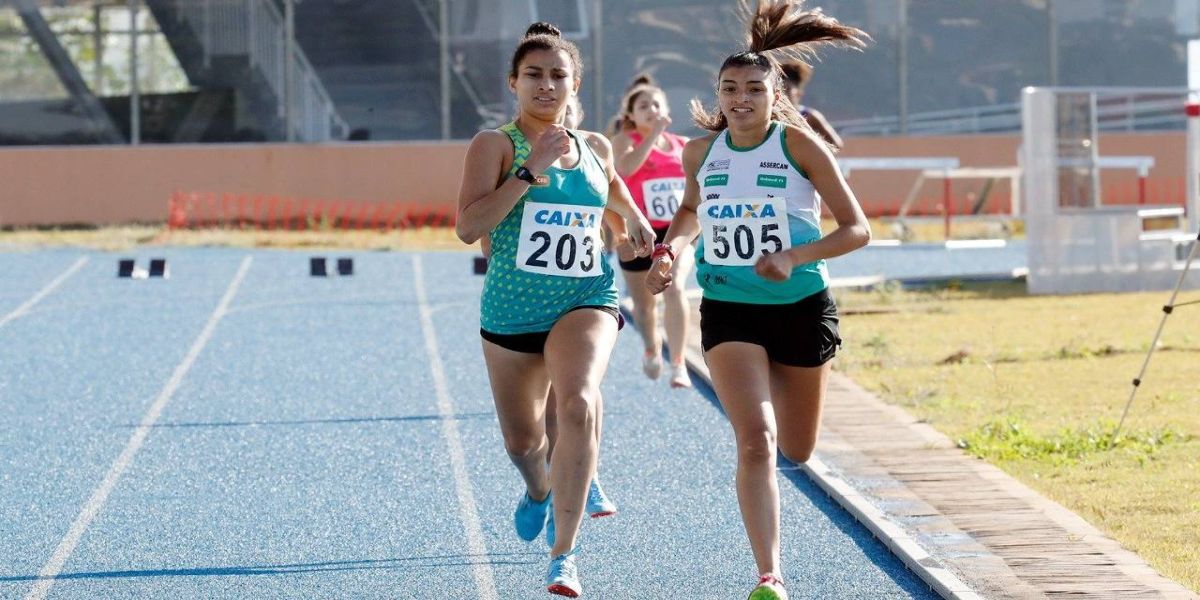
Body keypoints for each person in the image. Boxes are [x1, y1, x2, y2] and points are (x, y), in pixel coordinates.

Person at [645, 2, 869, 599]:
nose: (739, 99)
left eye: (752, 88)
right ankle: (769, 573)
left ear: (775, 94)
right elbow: (691, 212)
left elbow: (857, 229)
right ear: (717, 95)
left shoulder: (799, 147)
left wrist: (793, 257)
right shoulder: (701, 154)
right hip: (730, 308)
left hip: (800, 307)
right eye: (729, 89)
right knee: (756, 440)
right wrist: (670, 251)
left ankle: (771, 557)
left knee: (796, 449)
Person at [455, 22, 654, 598]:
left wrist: (634, 220)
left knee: (577, 404)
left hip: (584, 294)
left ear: (574, 84)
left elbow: (611, 187)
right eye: (535, 76)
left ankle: (563, 556)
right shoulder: (494, 144)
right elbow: (470, 227)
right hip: (513, 310)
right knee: (522, 443)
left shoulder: (595, 144)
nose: (547, 86)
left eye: (558, 76)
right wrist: (529, 169)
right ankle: (539, 490)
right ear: (514, 83)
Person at [610, 79, 695, 388]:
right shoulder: (623, 140)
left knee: (674, 289)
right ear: (631, 113)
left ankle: (679, 363)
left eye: (656, 104)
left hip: (675, 231)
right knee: (645, 306)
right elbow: (627, 169)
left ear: (667, 109)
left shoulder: (684, 144)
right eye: (643, 106)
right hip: (638, 232)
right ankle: (651, 348)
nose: (651, 110)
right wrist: (654, 134)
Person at [779, 60, 842, 149]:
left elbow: (836, 144)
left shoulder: (810, 116)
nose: (783, 94)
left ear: (799, 93)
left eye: (787, 89)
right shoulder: (767, 116)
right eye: (779, 90)